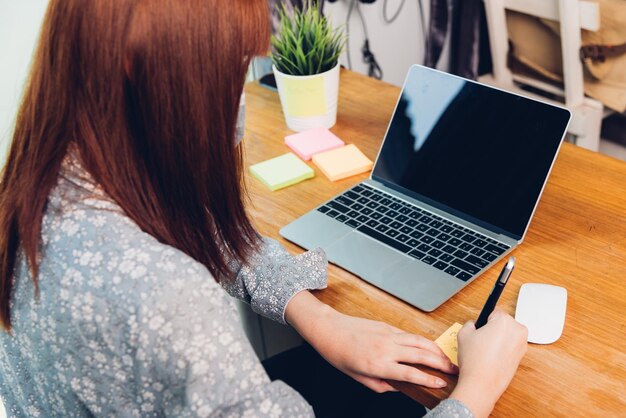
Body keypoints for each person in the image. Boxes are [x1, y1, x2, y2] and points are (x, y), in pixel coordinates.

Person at [0, 0, 527, 417]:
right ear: (144, 63)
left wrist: (313, 314)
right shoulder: (162, 296)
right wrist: (477, 391)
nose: (239, 100)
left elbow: (198, 222)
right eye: (231, 70)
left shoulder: (43, 182)